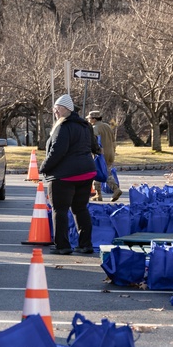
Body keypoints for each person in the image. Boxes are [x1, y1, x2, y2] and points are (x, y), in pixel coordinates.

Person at [40, 94, 97, 256]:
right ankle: (85, 244)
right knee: (80, 209)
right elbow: (94, 147)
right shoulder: (86, 125)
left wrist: (44, 168)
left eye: (56, 109)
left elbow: (57, 151)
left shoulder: (63, 127)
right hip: (86, 173)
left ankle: (62, 245)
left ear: (65, 109)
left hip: (64, 175)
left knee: (60, 210)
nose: (54, 112)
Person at [88, 110, 122, 201]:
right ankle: (98, 194)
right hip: (110, 153)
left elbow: (94, 143)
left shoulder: (94, 128)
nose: (88, 120)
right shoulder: (107, 126)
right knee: (99, 172)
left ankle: (115, 189)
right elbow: (113, 140)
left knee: (102, 173)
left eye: (90, 118)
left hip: (100, 154)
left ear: (94, 119)